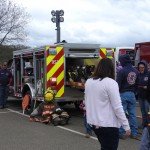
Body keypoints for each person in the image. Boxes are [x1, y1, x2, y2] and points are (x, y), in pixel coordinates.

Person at [85, 58, 130, 150]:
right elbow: (117, 107)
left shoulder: (89, 82)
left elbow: (86, 101)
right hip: (108, 125)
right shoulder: (111, 83)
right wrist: (126, 126)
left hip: (94, 123)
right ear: (111, 69)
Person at [116, 54, 138, 139]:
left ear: (123, 61)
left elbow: (118, 84)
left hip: (123, 94)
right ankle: (134, 133)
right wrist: (134, 92)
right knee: (132, 114)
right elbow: (137, 83)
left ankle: (121, 132)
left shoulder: (122, 71)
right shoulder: (135, 71)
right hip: (132, 94)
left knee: (122, 114)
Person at [137, 61, 149, 128]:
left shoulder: (148, 74)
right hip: (141, 96)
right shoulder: (138, 75)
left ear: (145, 67)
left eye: (142, 67)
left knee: (147, 111)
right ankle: (144, 124)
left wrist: (147, 87)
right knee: (142, 111)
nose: (141, 69)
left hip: (147, 97)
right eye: (140, 67)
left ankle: (148, 124)